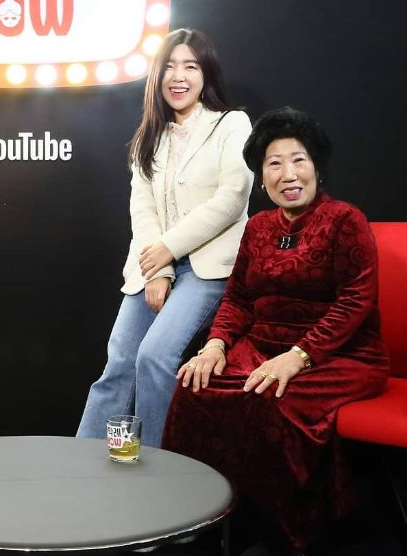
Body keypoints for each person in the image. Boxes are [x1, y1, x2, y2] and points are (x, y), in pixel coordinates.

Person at [163, 107, 389, 553]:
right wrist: (215, 346)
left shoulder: (346, 220)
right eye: (274, 163)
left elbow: (354, 302)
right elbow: (238, 298)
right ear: (262, 179)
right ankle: (197, 521)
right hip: (263, 344)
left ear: (316, 168)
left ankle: (281, 530)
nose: (288, 174)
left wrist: (299, 356)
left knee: (272, 400)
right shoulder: (258, 227)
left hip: (342, 353)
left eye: (298, 160)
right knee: (194, 387)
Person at [77, 28, 254, 446]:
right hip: (153, 264)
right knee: (119, 363)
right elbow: (143, 211)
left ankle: (157, 467)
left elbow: (232, 198)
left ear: (205, 74)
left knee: (154, 357)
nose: (179, 76)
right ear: (157, 76)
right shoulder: (148, 136)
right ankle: (83, 463)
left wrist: (169, 250)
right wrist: (159, 268)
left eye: (190, 66)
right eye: (170, 67)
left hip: (209, 267)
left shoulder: (232, 124)